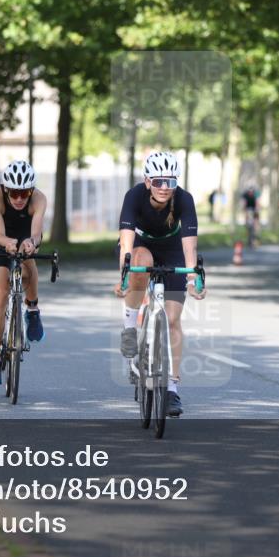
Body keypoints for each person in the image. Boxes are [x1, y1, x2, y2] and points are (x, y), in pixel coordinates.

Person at [115, 151, 206, 417]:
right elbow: (126, 243)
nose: (164, 188)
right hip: (141, 246)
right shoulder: (134, 196)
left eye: (170, 182)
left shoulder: (184, 200)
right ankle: (130, 328)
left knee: (174, 319)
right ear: (147, 182)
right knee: (139, 262)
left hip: (173, 249)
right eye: (158, 182)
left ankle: (172, 389)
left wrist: (193, 278)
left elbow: (190, 245)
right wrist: (124, 274)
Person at [0, 160, 48, 385]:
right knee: (1, 288)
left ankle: (33, 309)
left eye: (25, 193)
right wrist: (8, 244)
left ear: (31, 190)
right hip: (1, 237)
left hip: (26, 233)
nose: (19, 199)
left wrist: (31, 242)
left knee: (29, 264)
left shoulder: (39, 199)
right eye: (14, 193)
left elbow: (36, 233)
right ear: (6, 189)